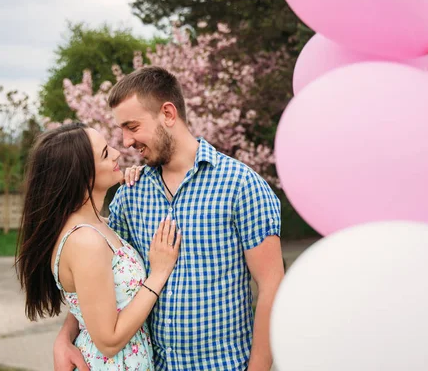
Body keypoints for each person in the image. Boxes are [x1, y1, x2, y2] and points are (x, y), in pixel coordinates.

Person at [54, 66, 285, 371]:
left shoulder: (241, 185)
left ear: (168, 113)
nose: (125, 142)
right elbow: (105, 285)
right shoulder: (129, 195)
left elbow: (272, 287)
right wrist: (65, 336)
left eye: (132, 126)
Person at [16, 122, 181, 370]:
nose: (117, 152)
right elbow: (109, 341)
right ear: (82, 175)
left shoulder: (98, 226)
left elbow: (92, 301)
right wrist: (158, 274)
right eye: (105, 153)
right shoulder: (85, 241)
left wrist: (64, 335)